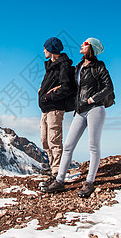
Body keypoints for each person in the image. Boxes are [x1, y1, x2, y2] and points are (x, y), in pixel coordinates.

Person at [42, 37, 114, 198]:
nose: (82, 44)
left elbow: (109, 87)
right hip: (80, 110)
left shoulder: (99, 66)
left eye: (85, 43)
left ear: (92, 48)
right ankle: (60, 181)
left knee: (93, 146)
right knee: (68, 146)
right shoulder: (79, 66)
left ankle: (89, 182)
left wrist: (93, 99)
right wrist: (57, 88)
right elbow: (72, 85)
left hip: (95, 109)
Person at [38, 37, 75, 188]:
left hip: (55, 108)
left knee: (54, 141)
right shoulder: (52, 65)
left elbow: (67, 88)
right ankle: (53, 170)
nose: (43, 51)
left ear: (51, 49)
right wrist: (42, 91)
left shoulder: (63, 65)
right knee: (45, 140)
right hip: (46, 109)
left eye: (45, 48)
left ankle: (57, 174)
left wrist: (48, 96)